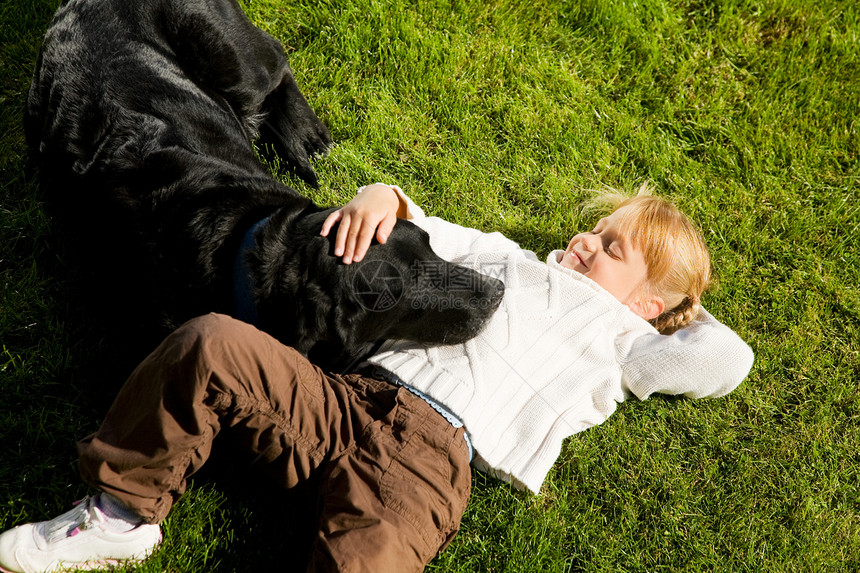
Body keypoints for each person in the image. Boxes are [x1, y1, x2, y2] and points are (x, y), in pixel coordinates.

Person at [0, 183, 754, 573]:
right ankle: (120, 514)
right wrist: (379, 196)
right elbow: (414, 225)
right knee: (211, 344)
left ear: (649, 302)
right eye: (598, 227)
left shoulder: (622, 344)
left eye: (613, 245)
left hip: (428, 468)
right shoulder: (505, 257)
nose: (587, 238)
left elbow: (728, 361)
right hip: (343, 396)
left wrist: (675, 311)